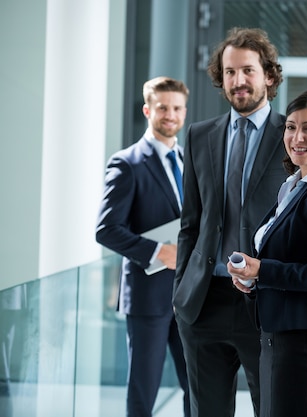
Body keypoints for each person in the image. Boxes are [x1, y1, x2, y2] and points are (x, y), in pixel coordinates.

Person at [172, 27, 286, 417]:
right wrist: (181, 291)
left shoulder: (293, 136)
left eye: (248, 71)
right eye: (230, 72)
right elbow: (191, 222)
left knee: (271, 408)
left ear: (269, 75)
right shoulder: (199, 135)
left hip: (265, 301)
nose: (238, 81)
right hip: (205, 301)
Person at [228, 89, 307, 417]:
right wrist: (252, 280)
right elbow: (284, 260)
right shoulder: (290, 188)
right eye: (290, 127)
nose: (297, 137)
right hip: (278, 338)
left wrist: (263, 271)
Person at [95, 76, 190, 417]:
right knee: (143, 392)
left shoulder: (188, 162)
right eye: (163, 107)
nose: (170, 114)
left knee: (196, 388)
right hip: (148, 298)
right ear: (147, 109)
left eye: (177, 108)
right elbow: (106, 230)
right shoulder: (127, 163)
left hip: (189, 297)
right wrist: (157, 252)